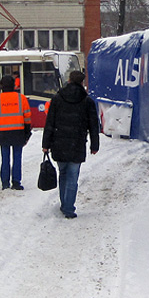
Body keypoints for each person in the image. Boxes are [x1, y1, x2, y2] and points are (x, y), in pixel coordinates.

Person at [41, 70, 100, 218]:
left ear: (68, 80)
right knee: (73, 177)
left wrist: (46, 143)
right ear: (82, 83)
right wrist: (94, 145)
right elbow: (94, 125)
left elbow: (50, 122)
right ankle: (68, 208)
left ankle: (64, 204)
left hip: (59, 143)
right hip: (77, 143)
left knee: (63, 174)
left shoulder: (57, 98)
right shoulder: (87, 101)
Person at [0, 74, 32, 189]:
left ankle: (5, 183)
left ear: (2, 86)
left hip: (3, 132)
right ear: (14, 85)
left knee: (5, 158)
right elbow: (27, 116)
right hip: (18, 131)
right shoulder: (21, 98)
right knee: (17, 157)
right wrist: (27, 131)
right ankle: (16, 182)